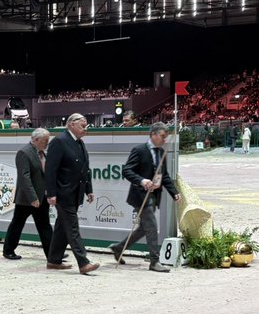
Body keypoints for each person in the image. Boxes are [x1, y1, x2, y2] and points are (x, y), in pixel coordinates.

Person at [110, 122, 181, 273]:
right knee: (152, 226)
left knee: (144, 228)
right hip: (140, 196)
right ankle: (154, 261)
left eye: (166, 137)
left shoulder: (161, 152)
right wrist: (142, 180)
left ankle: (119, 247)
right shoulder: (139, 150)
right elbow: (126, 170)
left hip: (154, 196)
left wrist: (174, 192)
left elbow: (165, 176)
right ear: (153, 135)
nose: (164, 140)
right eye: (162, 136)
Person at [45, 114, 98, 274]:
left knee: (62, 226)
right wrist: (51, 193)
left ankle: (53, 260)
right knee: (72, 227)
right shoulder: (59, 141)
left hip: (76, 193)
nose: (86, 128)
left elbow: (84, 169)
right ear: (71, 124)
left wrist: (89, 189)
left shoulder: (80, 143)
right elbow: (50, 170)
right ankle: (83, 262)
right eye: (83, 125)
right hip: (63, 193)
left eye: (86, 125)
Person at [3, 128, 53, 260]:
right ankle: (8, 250)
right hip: (26, 198)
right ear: (36, 140)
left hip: (41, 197)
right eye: (45, 141)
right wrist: (33, 197)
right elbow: (24, 177)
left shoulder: (43, 153)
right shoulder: (24, 153)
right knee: (17, 224)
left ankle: (52, 253)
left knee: (44, 226)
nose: (47, 143)